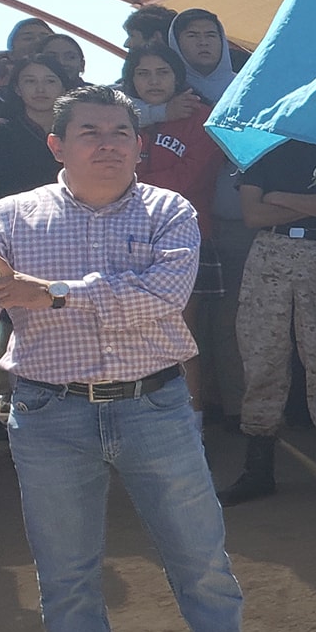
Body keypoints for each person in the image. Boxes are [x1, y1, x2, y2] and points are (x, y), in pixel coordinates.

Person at [0, 84, 288, 632]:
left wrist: (52, 293)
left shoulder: (169, 210)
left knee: (202, 564)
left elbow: (159, 299)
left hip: (154, 407)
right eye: (89, 131)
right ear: (57, 145)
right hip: (49, 415)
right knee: (66, 582)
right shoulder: (7, 220)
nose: (109, 143)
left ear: (139, 143)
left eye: (121, 131)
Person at [215, 122, 316, 506]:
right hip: (270, 253)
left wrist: (279, 197)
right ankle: (258, 470)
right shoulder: (263, 142)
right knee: (262, 355)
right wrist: (308, 201)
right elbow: (253, 215)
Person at [120, 44, 227, 416]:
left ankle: (190, 425)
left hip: (184, 237)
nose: (153, 81)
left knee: (182, 336)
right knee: (130, 337)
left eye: (162, 72)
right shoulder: (122, 120)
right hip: (122, 240)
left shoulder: (200, 117)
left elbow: (188, 179)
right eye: (143, 73)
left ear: (178, 77)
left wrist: (130, 182)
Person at [0, 56, 69, 201]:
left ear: (64, 88)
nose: (40, 89)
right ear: (17, 89)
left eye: (50, 81)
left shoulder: (78, 135)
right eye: (30, 81)